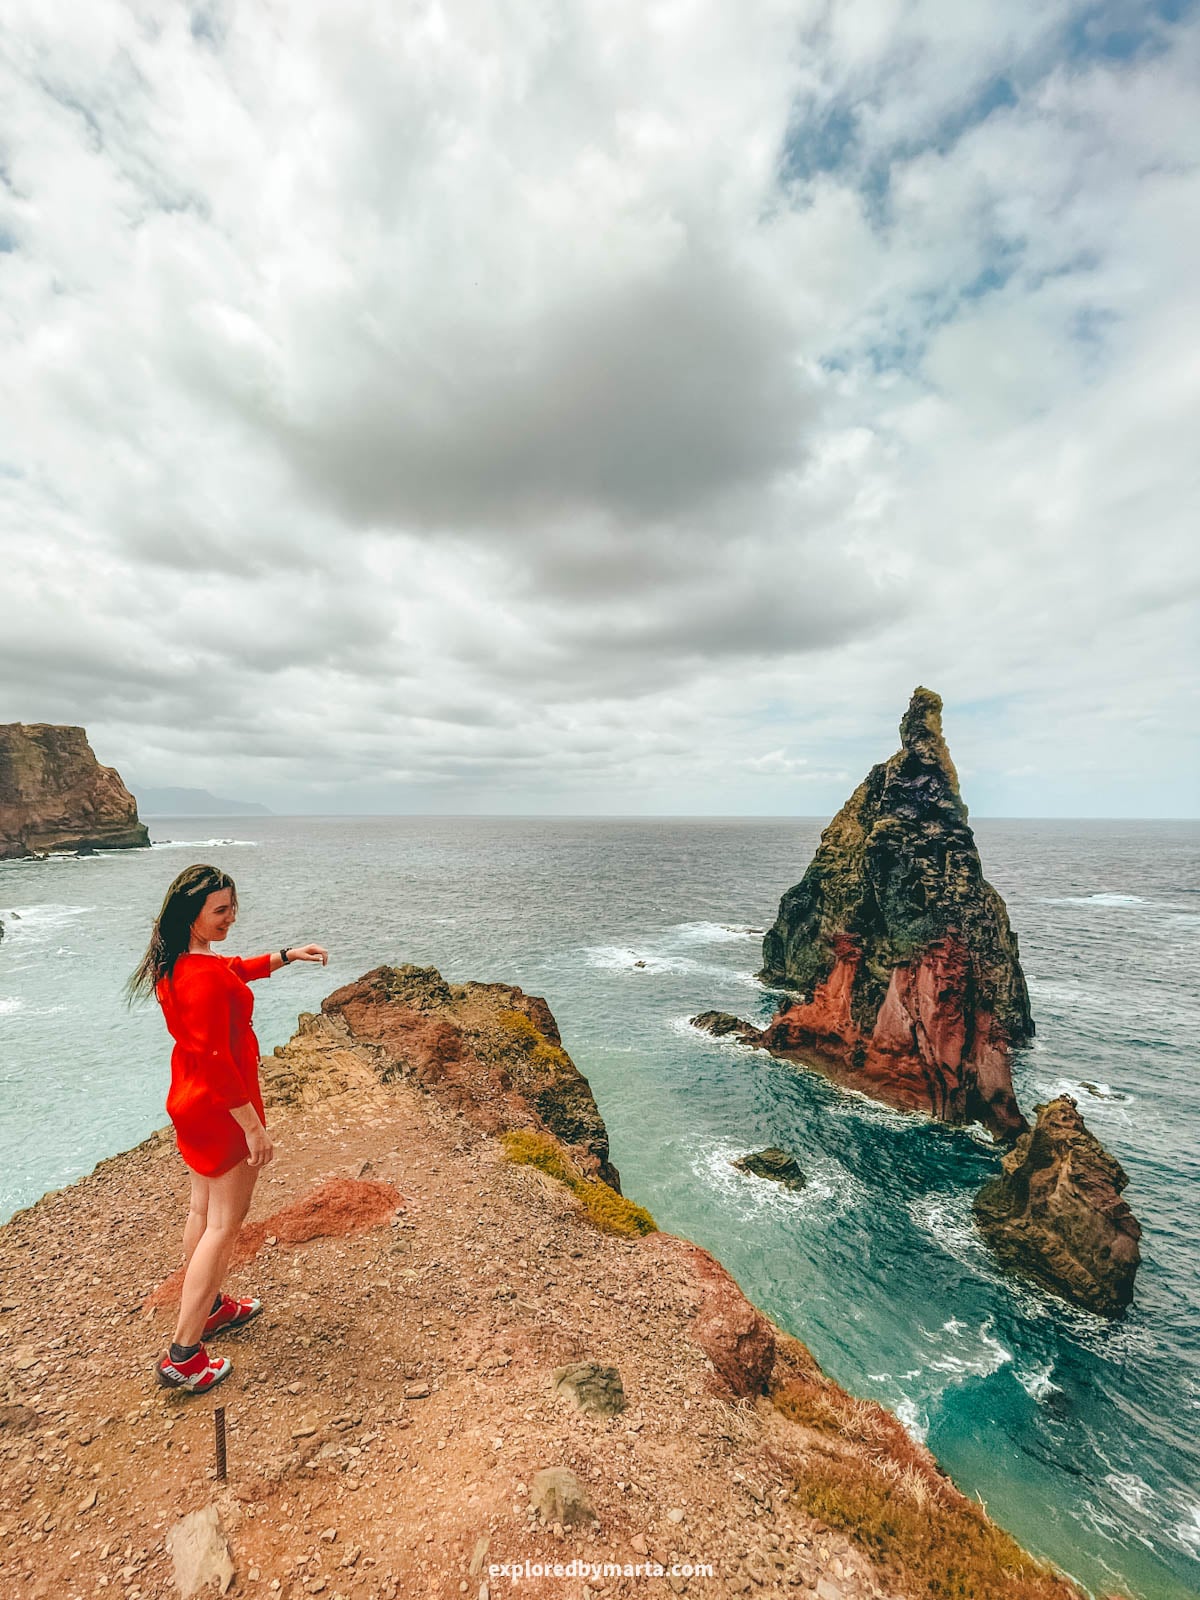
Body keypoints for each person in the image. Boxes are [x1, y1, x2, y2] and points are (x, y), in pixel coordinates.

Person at [126, 863, 328, 1393]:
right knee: (223, 1226)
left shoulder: (175, 965)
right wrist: (254, 1129)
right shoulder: (204, 979)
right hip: (221, 1108)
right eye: (220, 911)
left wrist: (285, 956)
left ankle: (210, 1307)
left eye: (233, 907)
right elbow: (219, 1059)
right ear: (191, 914)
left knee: (202, 1210)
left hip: (190, 1101)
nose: (230, 918)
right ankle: (184, 1353)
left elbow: (231, 970)